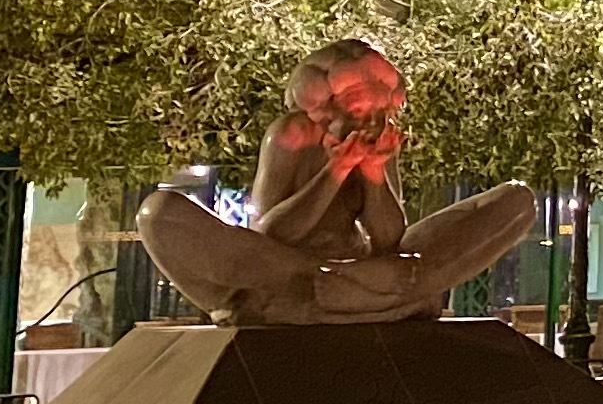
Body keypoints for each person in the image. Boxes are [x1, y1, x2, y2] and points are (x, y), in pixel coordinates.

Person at [135, 40, 533, 327]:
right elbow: (271, 234)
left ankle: (346, 295)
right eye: (359, 112)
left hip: (364, 265)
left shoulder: (380, 140)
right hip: (286, 270)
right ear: (324, 111)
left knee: (517, 201)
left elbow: (388, 239)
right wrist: (336, 171)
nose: (371, 123)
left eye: (380, 112)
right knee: (158, 214)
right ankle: (369, 296)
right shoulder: (290, 136)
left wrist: (373, 173)